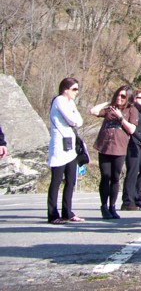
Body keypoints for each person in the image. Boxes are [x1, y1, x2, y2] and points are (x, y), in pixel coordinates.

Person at [91, 85, 137, 219]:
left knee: (115, 177)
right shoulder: (110, 109)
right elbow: (93, 111)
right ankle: (104, 206)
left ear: (128, 97)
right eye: (118, 95)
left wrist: (120, 117)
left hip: (119, 146)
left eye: (123, 96)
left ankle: (112, 206)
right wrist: (108, 102)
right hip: (105, 145)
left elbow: (132, 129)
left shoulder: (131, 110)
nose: (119, 98)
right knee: (105, 176)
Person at [46, 78, 84, 224]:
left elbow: (79, 121)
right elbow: (71, 120)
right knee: (56, 181)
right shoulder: (59, 100)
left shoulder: (71, 103)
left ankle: (67, 212)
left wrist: (74, 120)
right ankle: (52, 214)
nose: (76, 92)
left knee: (71, 180)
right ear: (65, 89)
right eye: (74, 89)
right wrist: (74, 120)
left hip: (70, 145)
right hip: (59, 145)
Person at [121, 89, 141, 211]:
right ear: (134, 99)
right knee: (132, 171)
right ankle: (128, 201)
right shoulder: (132, 110)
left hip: (138, 143)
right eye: (140, 98)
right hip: (131, 142)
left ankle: (136, 197)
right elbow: (132, 129)